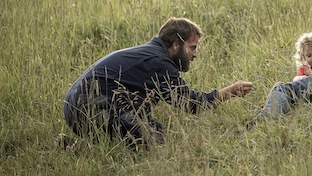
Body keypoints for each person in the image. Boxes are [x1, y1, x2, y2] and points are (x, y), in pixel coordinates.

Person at [63, 17, 253, 148]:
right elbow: (189, 103)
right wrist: (230, 91)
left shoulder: (153, 55)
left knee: (163, 134)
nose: (195, 55)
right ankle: (78, 148)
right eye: (192, 48)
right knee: (156, 145)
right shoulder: (158, 62)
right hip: (88, 107)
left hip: (80, 105)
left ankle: (73, 147)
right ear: (176, 45)